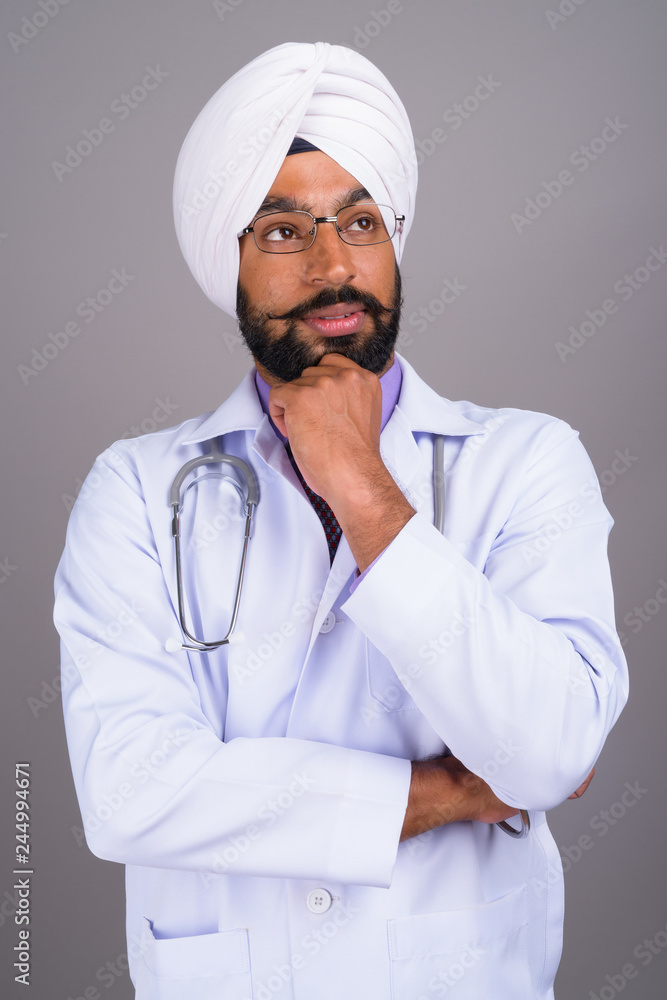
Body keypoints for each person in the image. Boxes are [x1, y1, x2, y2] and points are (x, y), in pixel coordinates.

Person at [54, 41, 628, 1000]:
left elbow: (551, 750)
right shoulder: (136, 489)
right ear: (229, 258)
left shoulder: (528, 460)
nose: (333, 265)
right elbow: (127, 793)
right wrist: (445, 793)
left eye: (360, 222)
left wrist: (364, 491)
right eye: (284, 230)